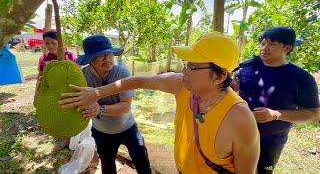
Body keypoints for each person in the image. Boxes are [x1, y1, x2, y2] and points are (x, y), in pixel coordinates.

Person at [59, 32, 260, 174]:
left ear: (219, 76)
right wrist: (96, 93)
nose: (184, 71)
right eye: (185, 64)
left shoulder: (240, 118)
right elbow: (137, 81)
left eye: (192, 66)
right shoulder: (181, 86)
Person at [234, 27, 320, 173]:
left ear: (287, 48)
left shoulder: (301, 78)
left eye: (272, 44)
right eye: (263, 43)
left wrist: (275, 114)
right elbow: (235, 91)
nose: (264, 48)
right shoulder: (248, 67)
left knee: (263, 171)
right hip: (237, 133)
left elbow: (314, 114)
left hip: (270, 142)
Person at [76, 35, 152, 174]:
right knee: (107, 165)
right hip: (101, 132)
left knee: (142, 162)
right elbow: (76, 101)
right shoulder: (82, 76)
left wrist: (99, 109)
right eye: (101, 55)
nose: (108, 58)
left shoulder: (122, 73)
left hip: (128, 128)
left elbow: (125, 106)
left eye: (109, 53)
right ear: (90, 59)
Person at [33, 29, 78, 151]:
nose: (50, 46)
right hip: (52, 94)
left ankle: (70, 140)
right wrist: (36, 95)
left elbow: (77, 76)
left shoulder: (70, 56)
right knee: (59, 115)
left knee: (69, 115)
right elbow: (40, 77)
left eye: (53, 42)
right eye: (47, 43)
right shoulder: (44, 58)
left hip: (68, 92)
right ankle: (64, 138)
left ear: (60, 42)